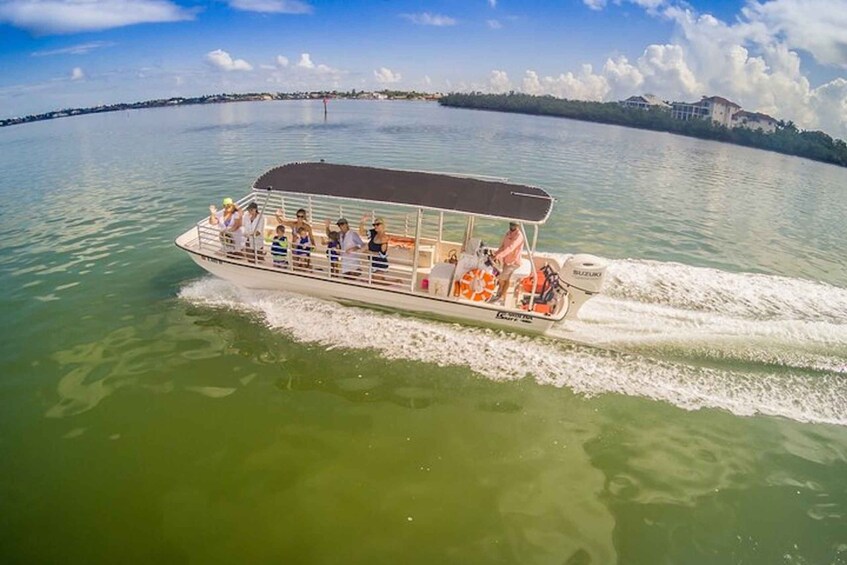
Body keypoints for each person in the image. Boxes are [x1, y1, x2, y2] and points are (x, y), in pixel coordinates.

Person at [488, 221, 524, 304]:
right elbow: (503, 247)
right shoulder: (508, 233)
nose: (512, 226)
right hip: (506, 260)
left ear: (517, 226)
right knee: (503, 279)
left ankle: (501, 297)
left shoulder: (519, 236)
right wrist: (495, 254)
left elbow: (511, 248)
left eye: (514, 225)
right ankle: (499, 295)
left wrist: (499, 256)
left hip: (513, 262)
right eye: (511, 224)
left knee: (502, 278)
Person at [360, 214, 391, 282]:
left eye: (378, 224)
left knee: (376, 282)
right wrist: (362, 222)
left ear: (383, 225)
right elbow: (362, 233)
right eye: (374, 225)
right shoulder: (373, 232)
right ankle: (396, 282)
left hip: (380, 264)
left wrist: (368, 251)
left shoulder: (384, 238)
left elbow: (382, 254)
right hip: (373, 262)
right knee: (376, 281)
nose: (375, 226)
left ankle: (396, 282)